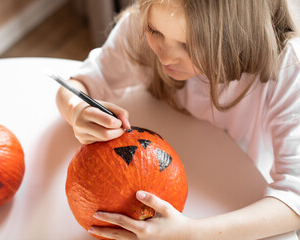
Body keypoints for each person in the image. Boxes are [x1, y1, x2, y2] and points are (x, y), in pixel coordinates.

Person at [57, 0, 300, 239]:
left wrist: (192, 233)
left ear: (239, 36)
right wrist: (76, 109)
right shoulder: (140, 28)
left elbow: (295, 198)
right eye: (155, 31)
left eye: (189, 45)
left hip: (242, 196)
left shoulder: (289, 69)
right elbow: (78, 83)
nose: (166, 57)